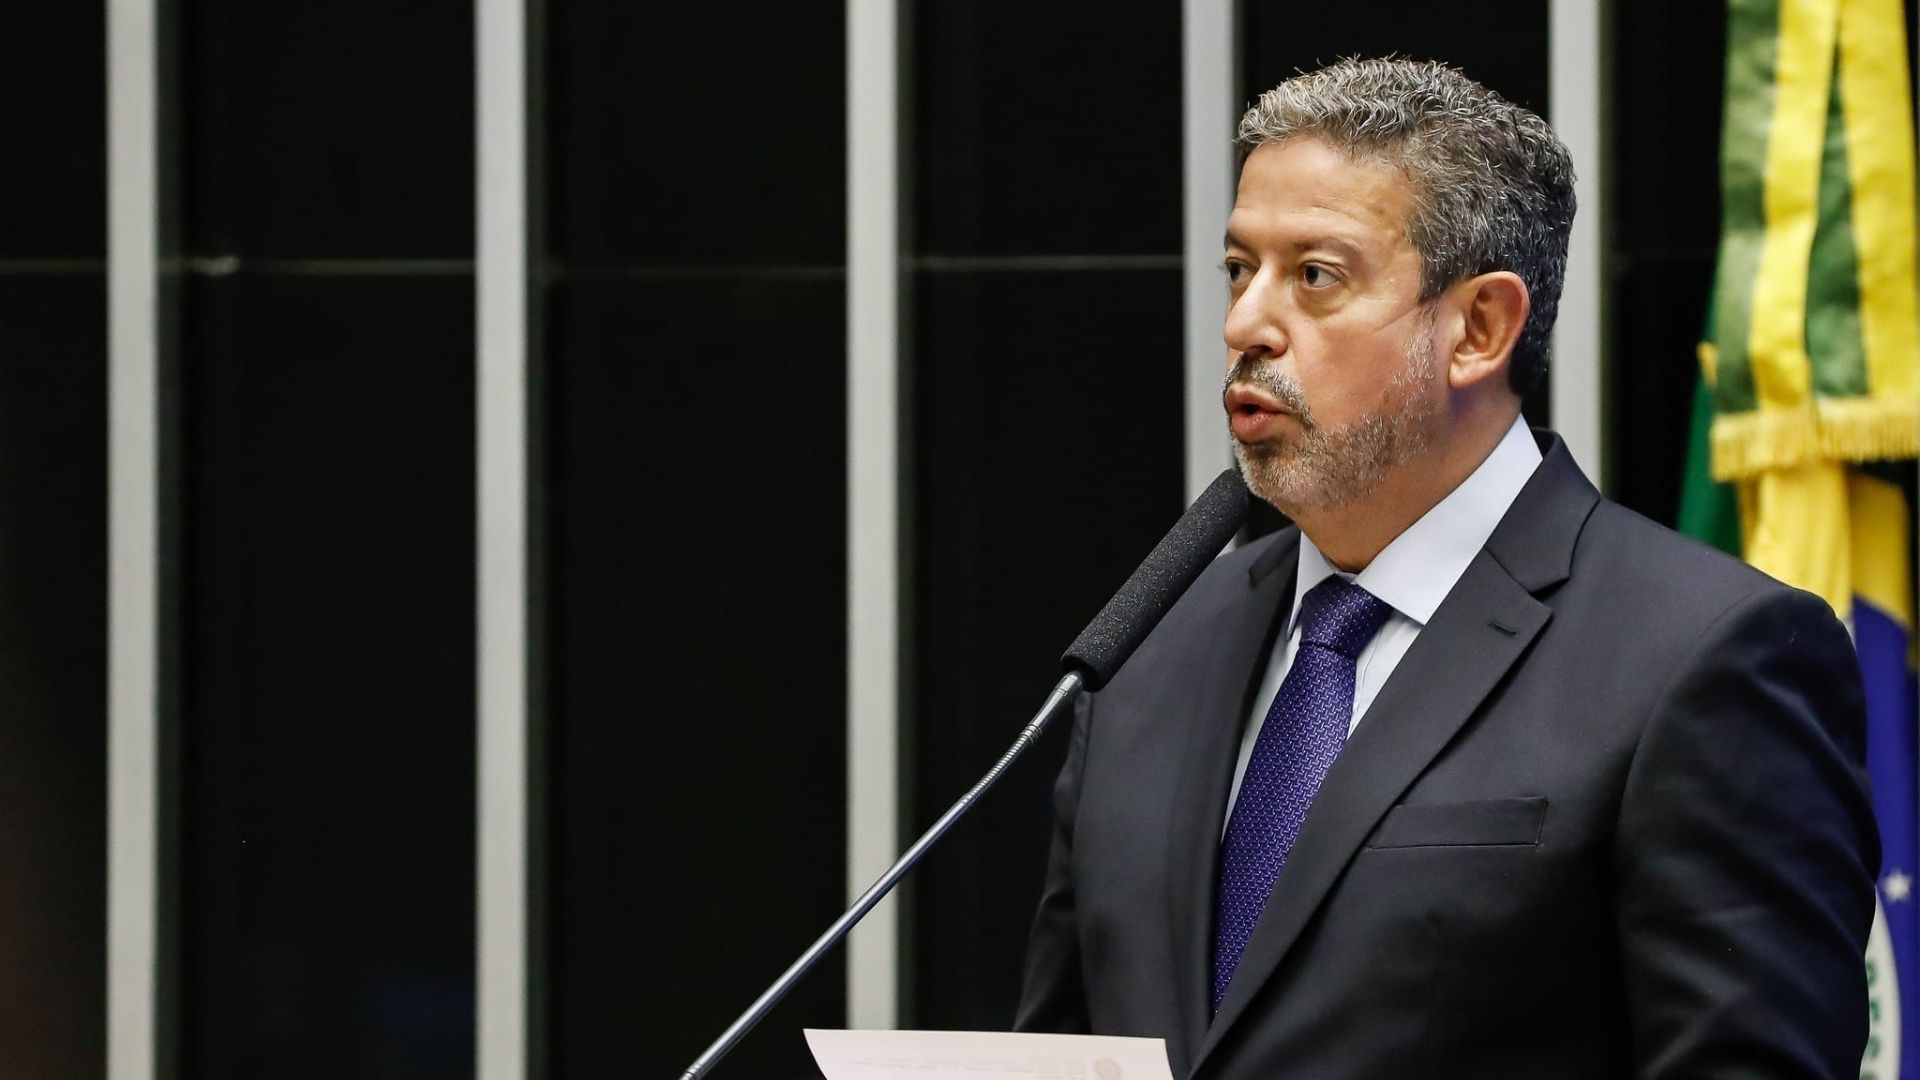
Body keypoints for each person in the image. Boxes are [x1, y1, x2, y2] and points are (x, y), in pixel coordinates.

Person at [1015, 58, 1878, 1078]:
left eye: (1316, 276)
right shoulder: (1150, 649)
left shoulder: (1701, 655)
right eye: (1240, 269)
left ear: (1478, 329)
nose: (1247, 323)